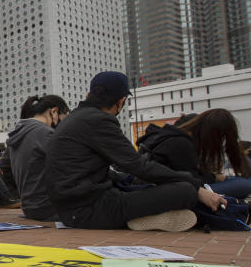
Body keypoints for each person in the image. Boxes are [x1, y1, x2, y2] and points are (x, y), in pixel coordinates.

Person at [47, 71, 224, 230]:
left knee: (154, 186)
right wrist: (196, 186)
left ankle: (146, 217)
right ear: (121, 101)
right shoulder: (98, 121)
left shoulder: (75, 119)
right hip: (88, 211)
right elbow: (138, 165)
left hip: (70, 209)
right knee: (185, 191)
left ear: (89, 94)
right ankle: (140, 217)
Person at [136, 109, 251, 200]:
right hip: (170, 192)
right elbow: (191, 180)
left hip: (162, 188)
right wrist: (214, 177)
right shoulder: (181, 143)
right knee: (244, 185)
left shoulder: (171, 136)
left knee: (236, 182)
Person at [6, 95, 70, 221]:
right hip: (50, 206)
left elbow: (4, 166)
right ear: (54, 111)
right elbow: (71, 165)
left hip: (29, 207)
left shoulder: (17, 133)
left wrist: (24, 192)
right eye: (64, 117)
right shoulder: (45, 133)